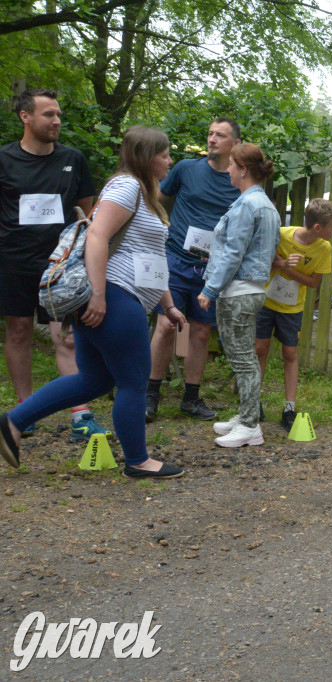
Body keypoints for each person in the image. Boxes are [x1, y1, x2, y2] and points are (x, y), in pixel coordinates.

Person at [0, 126, 187, 477]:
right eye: (164, 154)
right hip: (116, 296)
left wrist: (168, 304)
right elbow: (97, 237)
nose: (169, 160)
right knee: (133, 381)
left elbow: (151, 255)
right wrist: (99, 295)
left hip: (121, 296)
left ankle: (12, 423)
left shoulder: (146, 193)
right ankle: (138, 461)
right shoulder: (126, 186)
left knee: (94, 381)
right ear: (147, 157)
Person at [0, 88, 111, 441]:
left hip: (60, 266)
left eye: (58, 114)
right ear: (25, 117)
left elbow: (87, 213)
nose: (57, 121)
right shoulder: (4, 159)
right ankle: (24, 411)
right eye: (49, 114)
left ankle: (81, 415)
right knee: (18, 333)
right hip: (14, 261)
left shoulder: (73, 159)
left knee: (66, 340)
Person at [147, 117, 241, 422]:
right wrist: (159, 231)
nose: (212, 139)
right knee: (165, 326)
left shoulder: (240, 182)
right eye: (210, 134)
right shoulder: (186, 168)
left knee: (200, 332)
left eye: (220, 135)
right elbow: (156, 200)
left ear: (235, 144)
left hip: (211, 270)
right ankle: (150, 396)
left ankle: (191, 398)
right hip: (174, 259)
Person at [198, 143, 280, 447]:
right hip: (251, 288)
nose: (228, 170)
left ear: (243, 170)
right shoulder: (264, 204)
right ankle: (246, 415)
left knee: (243, 360)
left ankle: (249, 425)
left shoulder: (248, 205)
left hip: (238, 290)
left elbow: (234, 252)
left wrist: (210, 288)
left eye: (232, 165)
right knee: (243, 357)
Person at [255, 198, 332, 431]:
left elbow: (314, 283)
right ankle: (254, 402)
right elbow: (260, 262)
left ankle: (289, 409)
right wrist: (280, 265)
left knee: (290, 353)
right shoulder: (281, 234)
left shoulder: (324, 247)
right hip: (265, 302)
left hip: (292, 308)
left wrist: (290, 270)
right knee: (259, 350)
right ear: (317, 228)